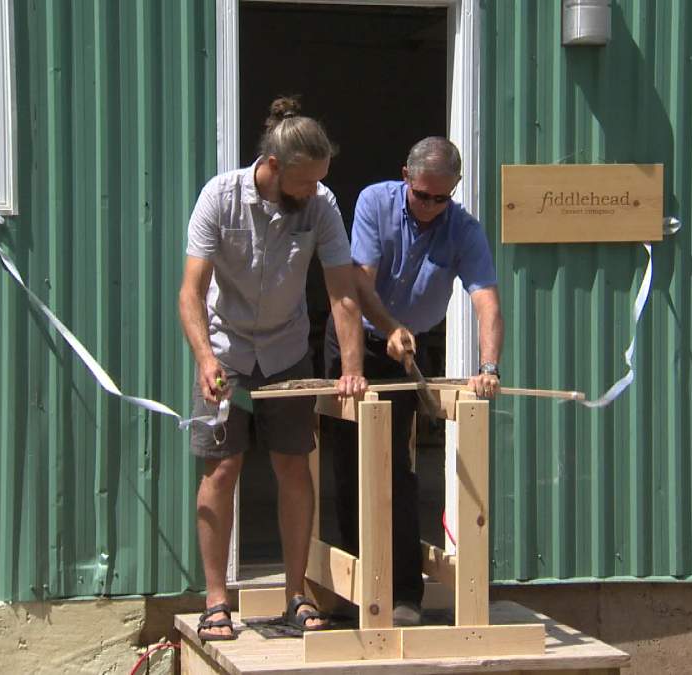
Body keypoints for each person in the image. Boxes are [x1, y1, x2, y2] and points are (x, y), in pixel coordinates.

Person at [179, 96, 368, 641]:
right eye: (306, 183)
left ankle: (295, 595)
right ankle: (217, 602)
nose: (314, 192)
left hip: (286, 357)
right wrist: (205, 359)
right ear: (274, 168)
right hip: (228, 358)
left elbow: (343, 292)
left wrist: (351, 367)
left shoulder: (322, 205)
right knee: (222, 469)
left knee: (293, 465)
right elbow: (190, 293)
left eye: (319, 182)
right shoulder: (220, 198)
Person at [321, 136, 503, 626]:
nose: (429, 207)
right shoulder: (374, 203)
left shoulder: (464, 230)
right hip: (356, 339)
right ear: (406, 175)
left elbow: (485, 299)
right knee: (349, 465)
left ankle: (404, 593)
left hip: (405, 353)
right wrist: (389, 328)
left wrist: (488, 368)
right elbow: (359, 280)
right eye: (422, 196)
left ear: (455, 189)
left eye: (441, 198)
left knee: (395, 471)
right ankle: (356, 591)